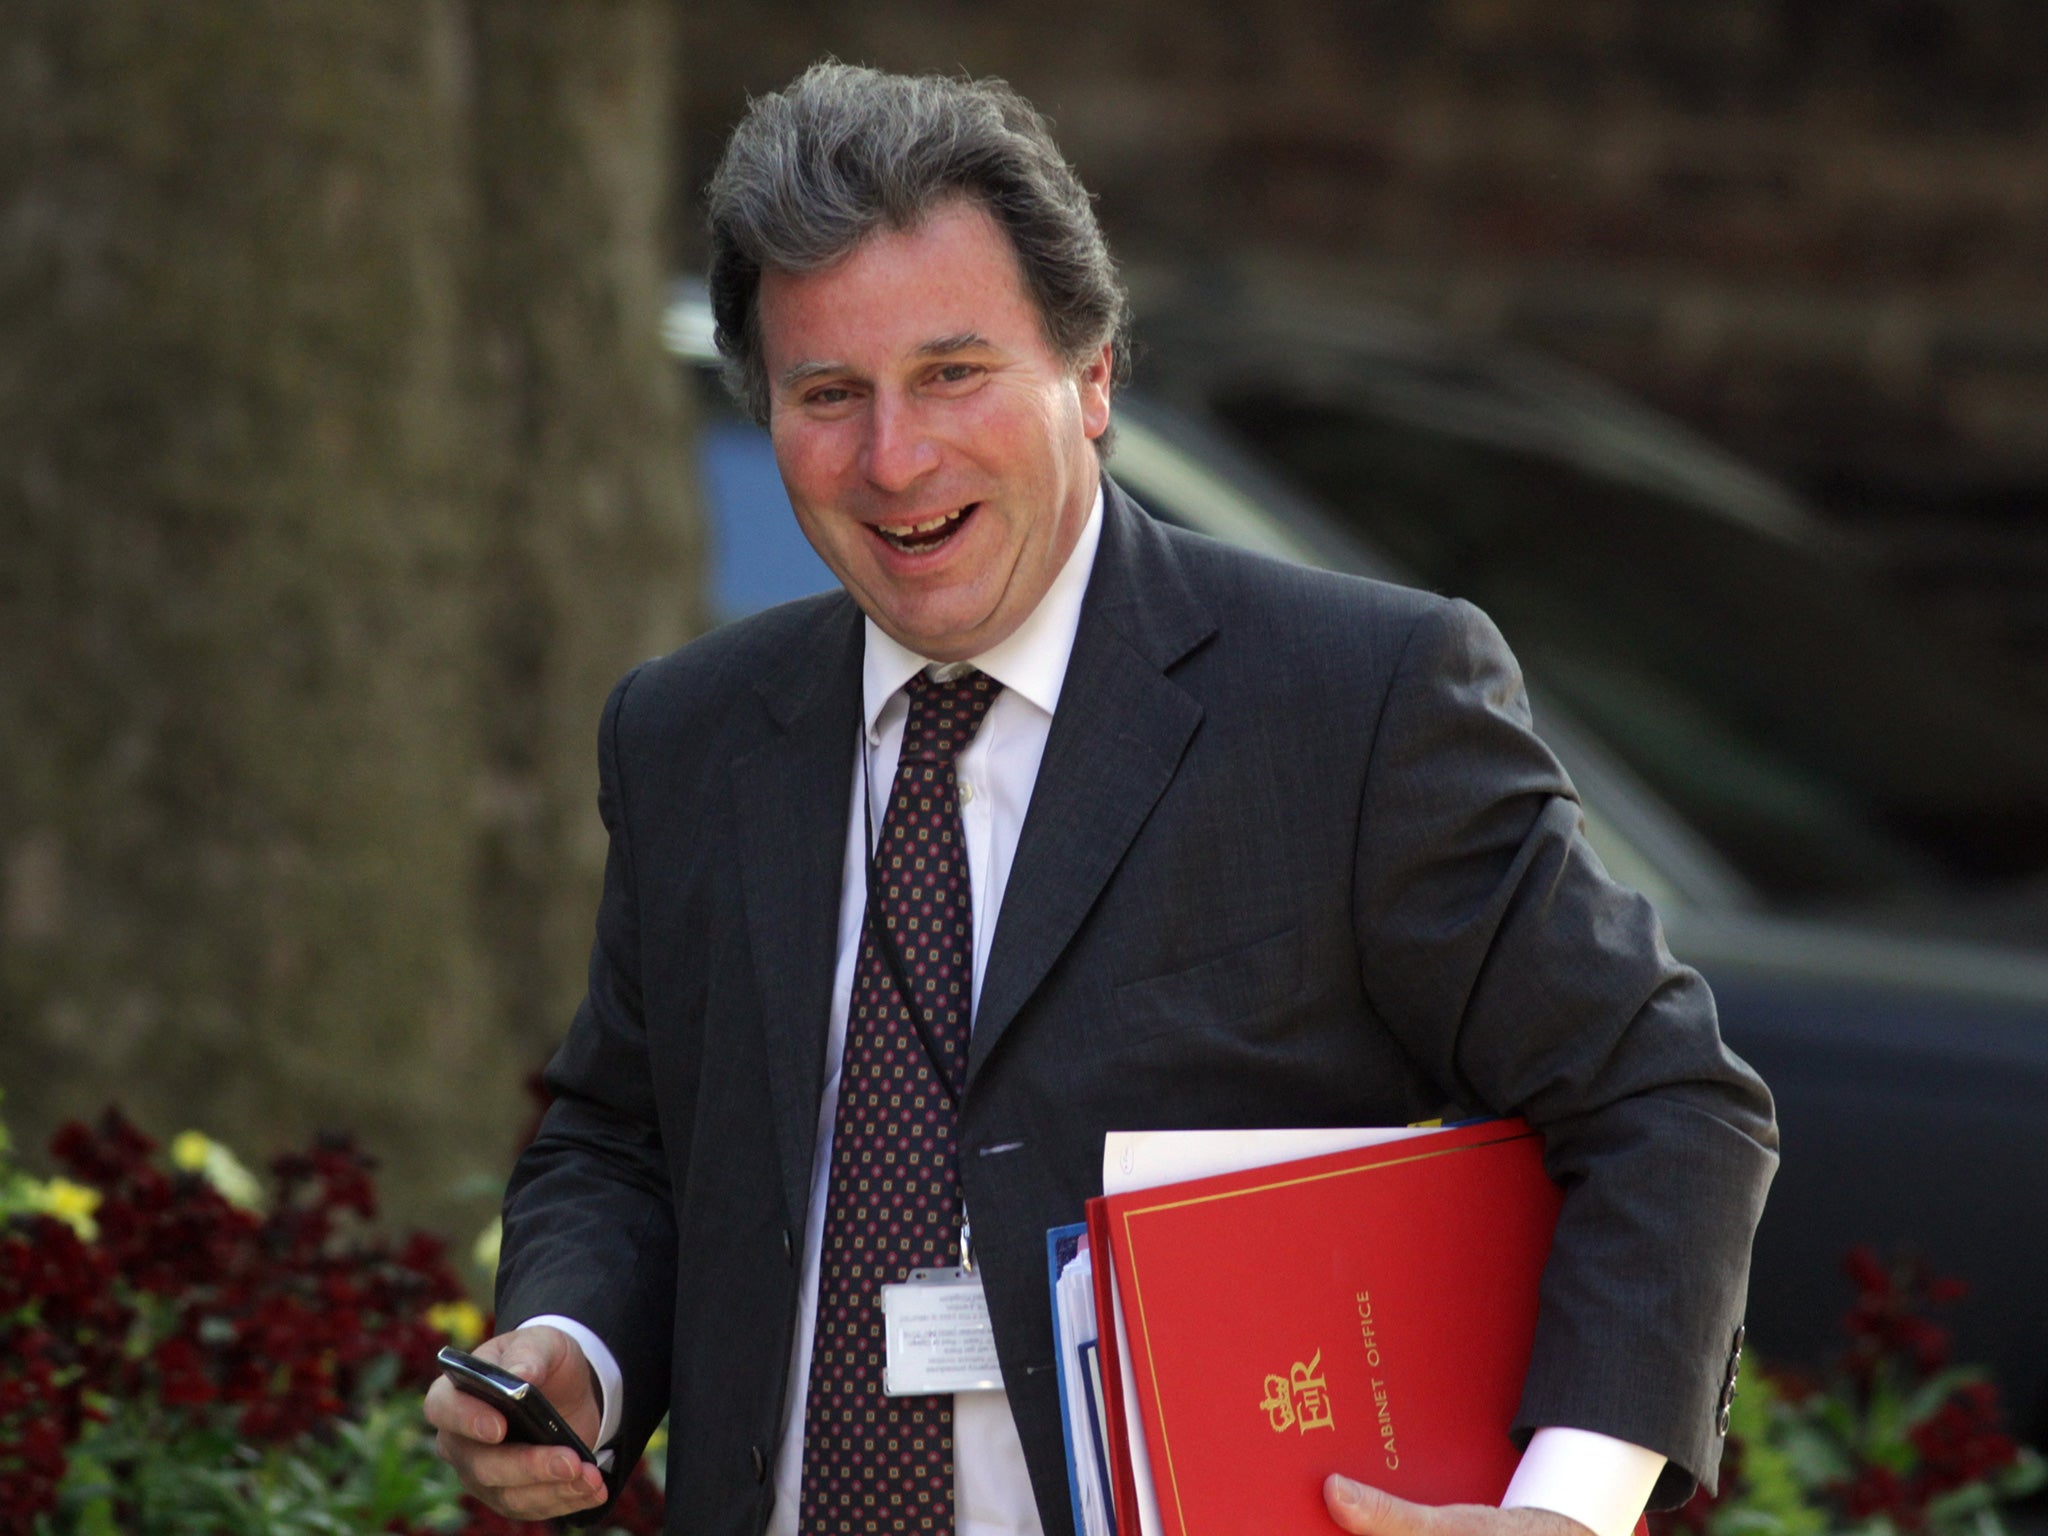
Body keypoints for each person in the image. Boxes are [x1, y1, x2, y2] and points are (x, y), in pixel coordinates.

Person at [424, 62, 1777, 1536]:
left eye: (953, 372)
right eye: (830, 395)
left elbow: (1666, 1101)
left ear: (1094, 376)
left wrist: (1567, 1510)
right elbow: (621, 1138)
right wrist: (577, 1350)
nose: (895, 457)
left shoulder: (1356, 702)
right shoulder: (688, 736)